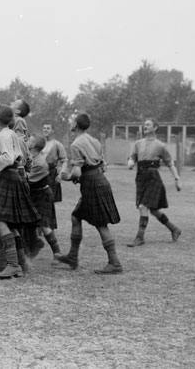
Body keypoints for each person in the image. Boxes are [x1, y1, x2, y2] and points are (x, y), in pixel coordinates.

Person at [0, 103, 41, 279]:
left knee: (0, 223)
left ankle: (13, 265)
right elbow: (22, 160)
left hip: (8, 177)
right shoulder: (7, 134)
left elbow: (8, 158)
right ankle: (3, 262)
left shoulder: (5, 135)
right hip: (5, 177)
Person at [56, 112, 123, 275]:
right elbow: (102, 167)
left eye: (71, 120)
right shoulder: (95, 141)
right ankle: (72, 256)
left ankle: (114, 263)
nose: (70, 122)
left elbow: (77, 172)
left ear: (75, 125)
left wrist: (67, 177)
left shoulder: (76, 144)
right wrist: (82, 176)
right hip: (100, 181)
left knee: (100, 224)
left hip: (92, 185)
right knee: (76, 216)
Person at [126, 119, 182, 247]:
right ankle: (174, 229)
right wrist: (131, 161)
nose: (144, 126)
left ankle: (140, 238)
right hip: (140, 176)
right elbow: (133, 156)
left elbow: (170, 163)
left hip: (153, 177)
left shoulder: (161, 145)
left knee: (143, 207)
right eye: (144, 124)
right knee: (154, 211)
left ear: (155, 128)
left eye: (148, 124)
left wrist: (177, 179)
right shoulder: (138, 143)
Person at [25, 134, 63, 261]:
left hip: (41, 195)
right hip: (34, 193)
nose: (26, 141)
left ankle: (57, 253)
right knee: (29, 222)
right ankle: (34, 244)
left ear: (34, 146)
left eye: (29, 140)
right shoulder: (31, 157)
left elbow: (26, 180)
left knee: (44, 225)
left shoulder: (40, 163)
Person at [42, 123, 67, 203]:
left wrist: (60, 175)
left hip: (51, 174)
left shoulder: (57, 144)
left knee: (50, 199)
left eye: (48, 128)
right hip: (40, 173)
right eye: (44, 128)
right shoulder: (40, 143)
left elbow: (65, 161)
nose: (45, 130)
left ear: (52, 130)